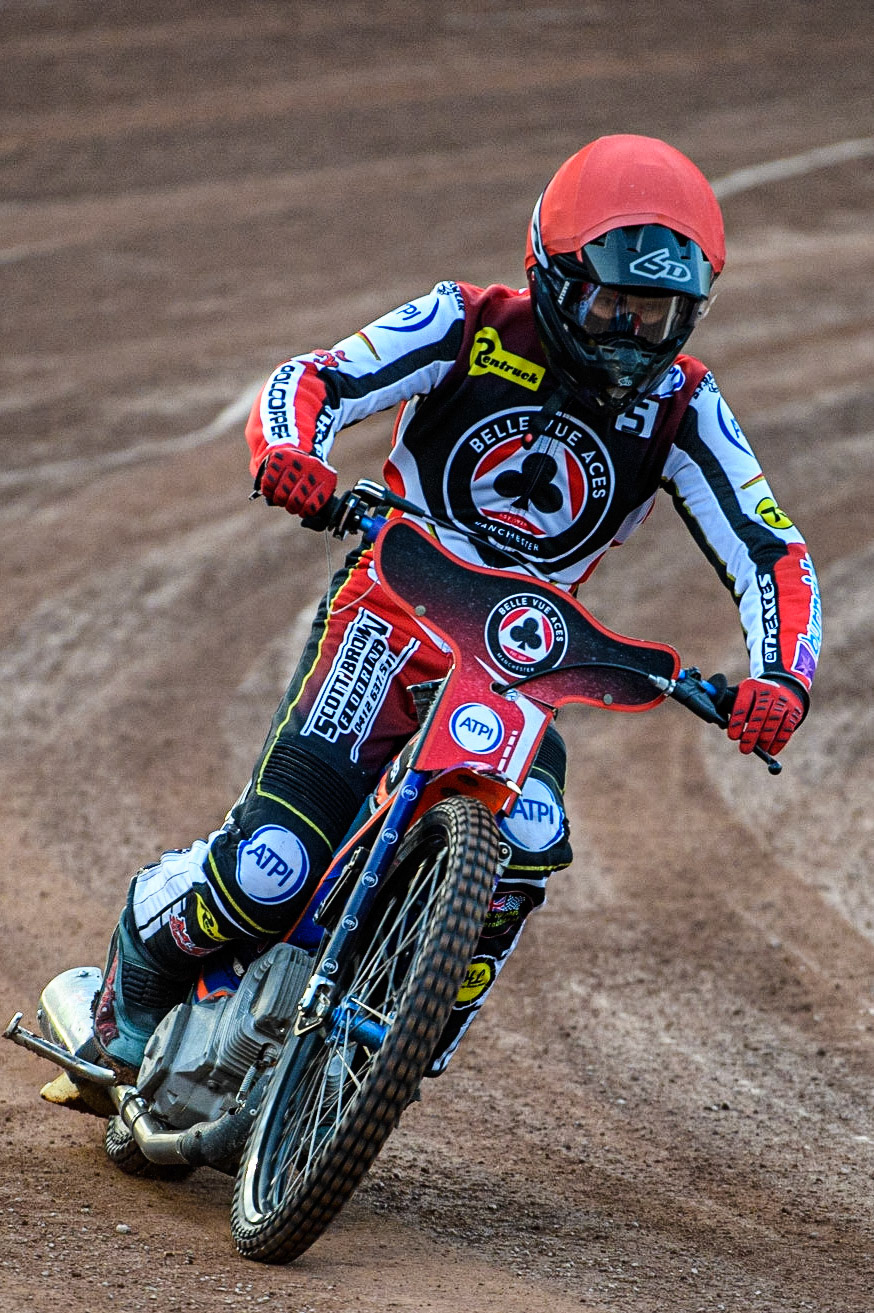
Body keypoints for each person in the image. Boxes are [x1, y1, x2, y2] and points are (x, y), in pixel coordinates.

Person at [93, 133, 821, 1079]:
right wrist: (291, 451)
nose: (632, 336)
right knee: (272, 864)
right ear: (553, 274)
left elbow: (772, 546)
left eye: (659, 314)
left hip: (527, 659)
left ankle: (403, 1036)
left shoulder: (686, 403)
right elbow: (313, 379)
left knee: (532, 835)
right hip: (391, 613)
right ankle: (137, 967)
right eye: (614, 304)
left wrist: (782, 676)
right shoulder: (465, 322)